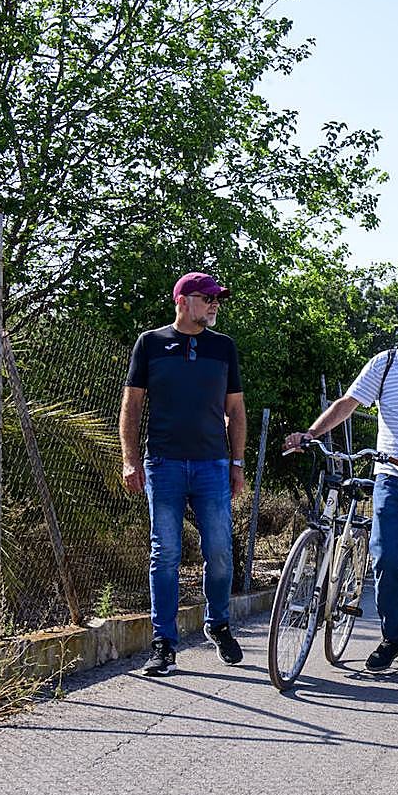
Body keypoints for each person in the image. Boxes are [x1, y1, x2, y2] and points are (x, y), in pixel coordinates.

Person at [283, 302, 398, 682]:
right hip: (391, 480)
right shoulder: (384, 364)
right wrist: (310, 434)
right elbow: (346, 404)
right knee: (385, 561)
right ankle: (394, 636)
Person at [120, 272, 248, 677]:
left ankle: (219, 623)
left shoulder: (224, 347)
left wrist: (237, 462)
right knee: (167, 554)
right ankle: (163, 644)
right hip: (164, 464)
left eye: (217, 299)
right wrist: (130, 460)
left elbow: (237, 410)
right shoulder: (150, 344)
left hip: (212, 464)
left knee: (219, 551)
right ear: (182, 301)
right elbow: (132, 406)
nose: (214, 304)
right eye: (207, 297)